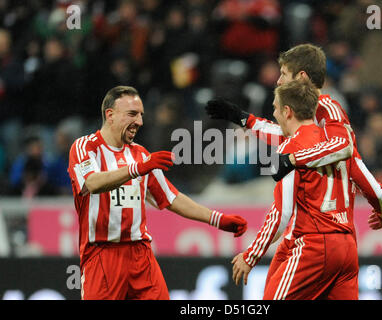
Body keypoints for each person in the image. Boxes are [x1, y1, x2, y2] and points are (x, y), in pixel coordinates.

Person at [206, 44, 382, 299]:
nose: (279, 79)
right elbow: (353, 161)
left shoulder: (327, 110)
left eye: (284, 73)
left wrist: (293, 159)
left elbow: (343, 148)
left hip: (312, 240)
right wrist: (242, 118)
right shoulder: (316, 130)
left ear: (301, 77)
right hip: (345, 241)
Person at [67, 86, 247, 300]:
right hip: (102, 254)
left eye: (141, 115)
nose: (140, 122)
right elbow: (92, 182)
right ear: (110, 115)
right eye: (132, 114)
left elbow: (171, 198)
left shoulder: (141, 154)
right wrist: (137, 169)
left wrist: (218, 219)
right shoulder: (85, 147)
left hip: (140, 255)